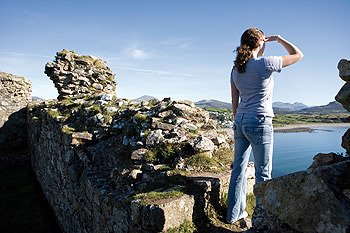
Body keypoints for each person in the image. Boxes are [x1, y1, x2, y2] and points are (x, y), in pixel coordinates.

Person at [226, 27, 303, 224]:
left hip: (240, 120)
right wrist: (279, 39)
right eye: (264, 41)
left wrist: (238, 121)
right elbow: (298, 55)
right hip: (260, 121)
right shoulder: (266, 63)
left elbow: (235, 101)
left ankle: (234, 215)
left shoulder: (236, 68)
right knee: (263, 173)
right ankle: (262, 221)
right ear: (261, 43)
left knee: (238, 171)